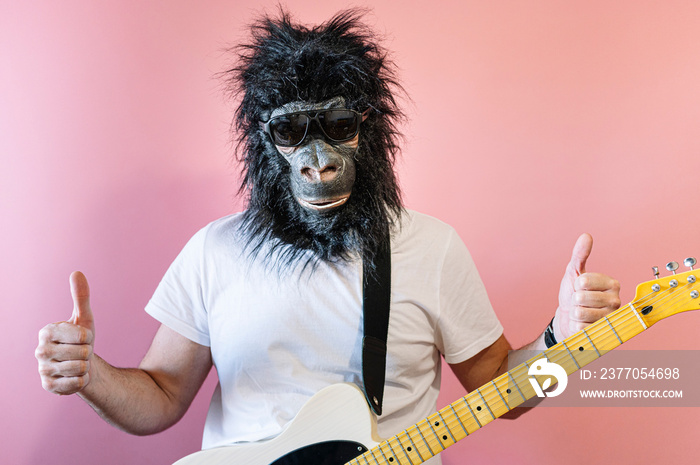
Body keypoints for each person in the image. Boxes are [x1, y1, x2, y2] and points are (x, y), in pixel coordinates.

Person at [35, 9, 620, 463]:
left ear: (372, 133)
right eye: (292, 129)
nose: (318, 162)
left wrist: (560, 341)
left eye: (339, 126)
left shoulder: (432, 248)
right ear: (263, 146)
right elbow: (161, 396)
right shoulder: (214, 252)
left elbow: (500, 390)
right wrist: (94, 376)